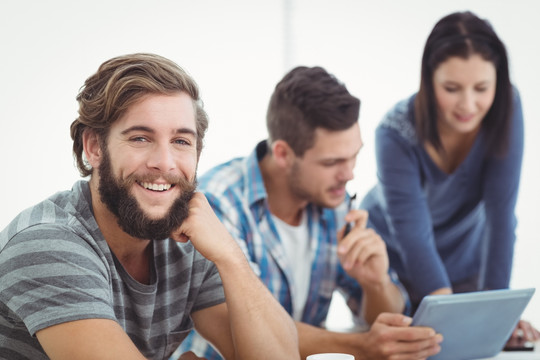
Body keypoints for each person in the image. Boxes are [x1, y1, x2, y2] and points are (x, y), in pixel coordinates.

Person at [0, 53, 299, 360]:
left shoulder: (191, 240)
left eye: (181, 141)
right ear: (94, 146)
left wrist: (230, 256)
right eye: (141, 138)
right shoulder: (46, 244)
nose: (164, 163)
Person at [177, 66, 442, 360]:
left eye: (355, 155)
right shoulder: (218, 203)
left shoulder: (336, 204)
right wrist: (362, 347)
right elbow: (253, 330)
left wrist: (375, 281)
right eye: (332, 162)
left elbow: (387, 322)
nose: (349, 174)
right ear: (283, 154)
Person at [360, 11, 540, 342]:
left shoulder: (508, 110)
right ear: (428, 80)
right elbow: (413, 236)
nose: (468, 104)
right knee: (413, 345)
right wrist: (449, 314)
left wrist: (497, 314)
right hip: (395, 262)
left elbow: (501, 217)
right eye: (452, 88)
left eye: (482, 88)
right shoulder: (393, 133)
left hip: (463, 260)